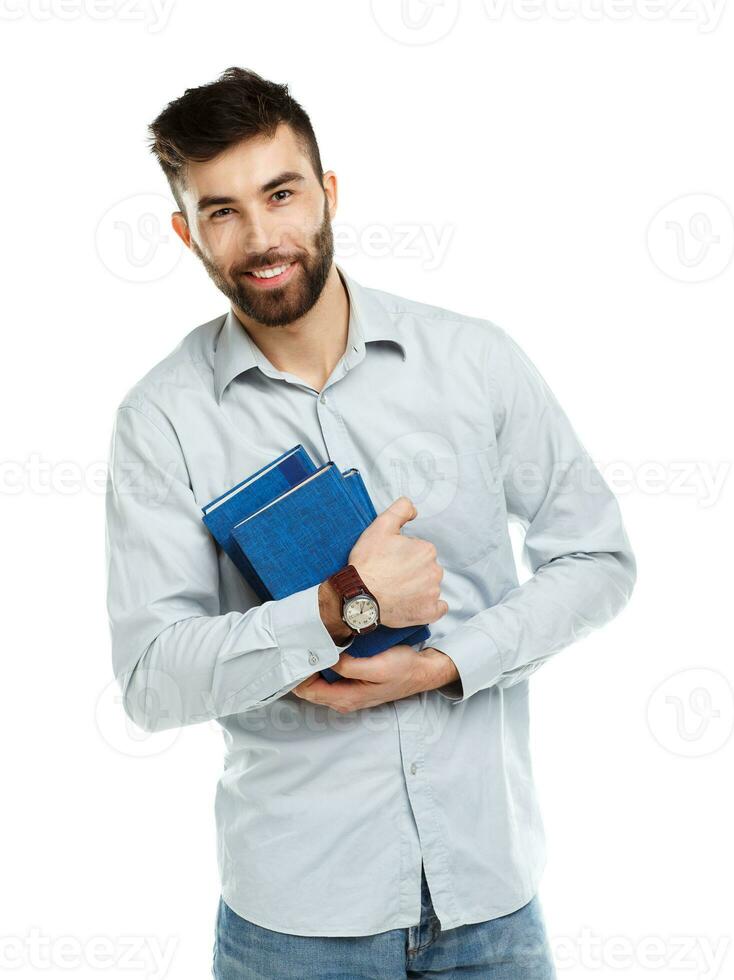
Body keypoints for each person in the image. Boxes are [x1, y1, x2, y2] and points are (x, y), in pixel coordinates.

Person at [104, 66, 636, 979]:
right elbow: (152, 680)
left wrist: (449, 663)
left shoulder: (474, 359)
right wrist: (337, 606)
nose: (263, 237)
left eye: (281, 193)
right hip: (296, 924)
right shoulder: (160, 420)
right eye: (223, 211)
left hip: (492, 902)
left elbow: (597, 557)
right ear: (186, 232)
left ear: (328, 192)